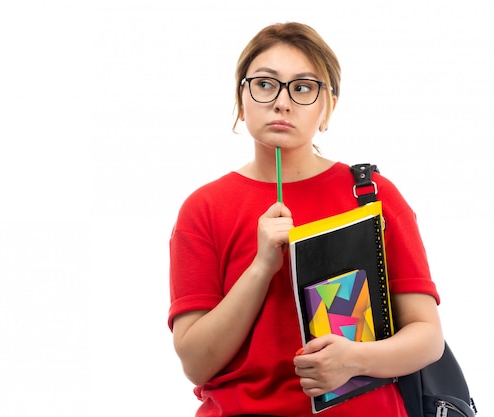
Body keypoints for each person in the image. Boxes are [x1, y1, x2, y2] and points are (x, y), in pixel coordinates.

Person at [167, 22, 444, 417]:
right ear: (240, 98)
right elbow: (196, 362)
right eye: (265, 84)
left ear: (327, 105)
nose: (282, 103)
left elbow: (428, 337)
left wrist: (357, 360)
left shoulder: (372, 195)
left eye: (302, 87)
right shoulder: (204, 208)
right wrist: (261, 267)